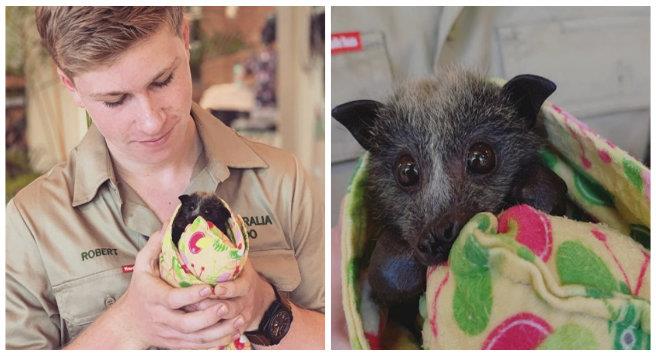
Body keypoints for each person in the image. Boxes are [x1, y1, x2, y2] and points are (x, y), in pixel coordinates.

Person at [6, 7, 324, 350]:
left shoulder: (284, 181)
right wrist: (128, 326)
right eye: (115, 100)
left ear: (185, 39)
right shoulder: (31, 225)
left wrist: (264, 309)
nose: (151, 121)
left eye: (162, 81)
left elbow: (348, 339)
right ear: (70, 85)